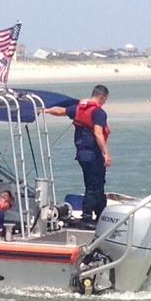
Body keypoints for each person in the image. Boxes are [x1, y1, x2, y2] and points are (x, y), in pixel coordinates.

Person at [44, 84, 110, 226]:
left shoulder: (79, 108)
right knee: (95, 185)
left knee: (93, 183)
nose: (104, 103)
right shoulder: (98, 113)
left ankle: (99, 213)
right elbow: (98, 134)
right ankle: (88, 215)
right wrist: (106, 153)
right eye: (105, 100)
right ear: (102, 96)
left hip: (82, 154)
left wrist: (47, 110)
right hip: (93, 153)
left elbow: (60, 111)